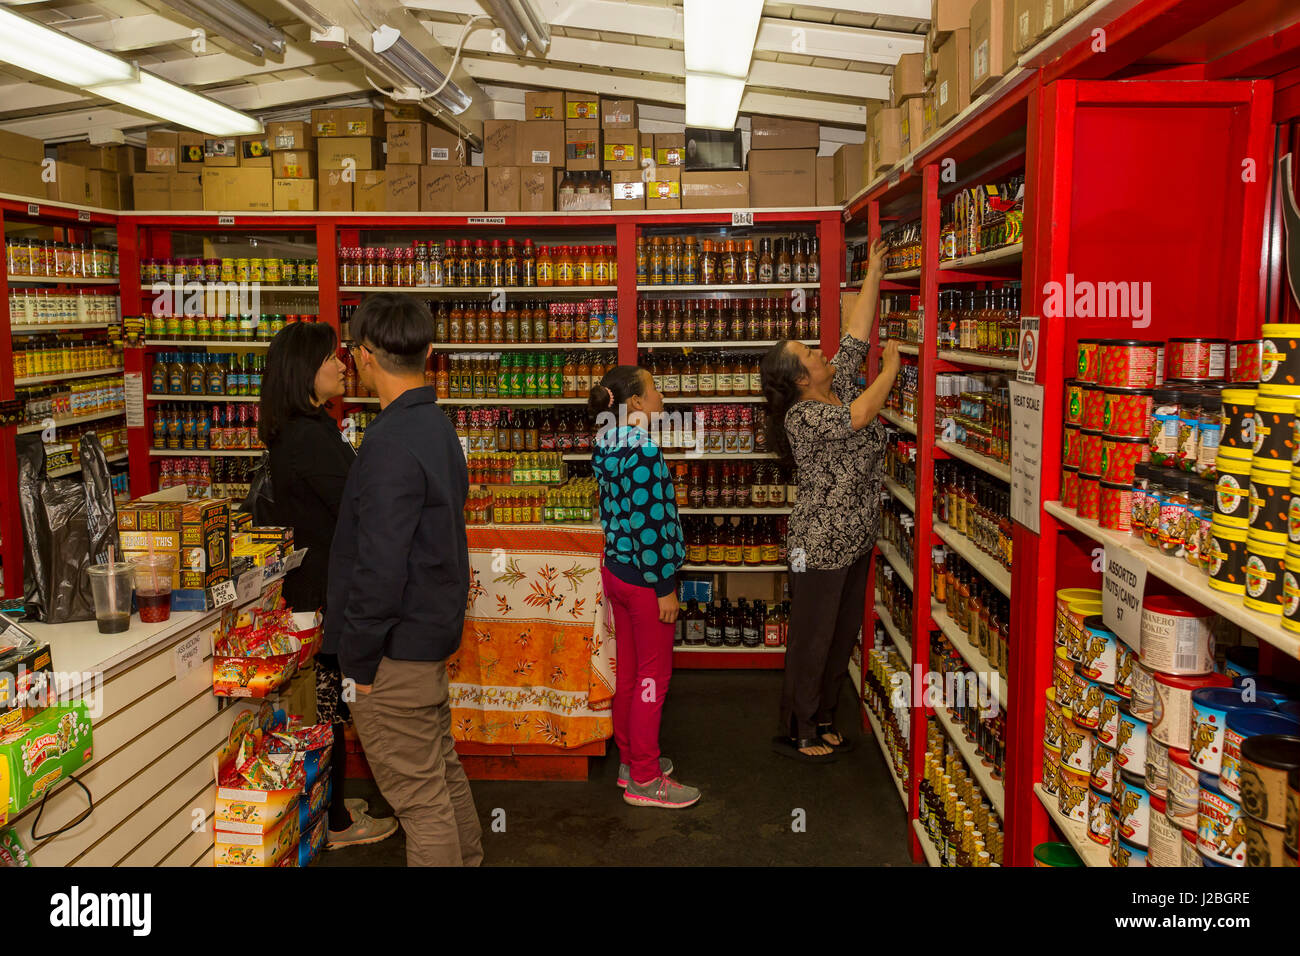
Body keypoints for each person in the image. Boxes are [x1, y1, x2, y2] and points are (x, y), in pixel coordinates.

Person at [325, 293, 482, 866]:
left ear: (364, 356)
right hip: (428, 636)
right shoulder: (436, 426)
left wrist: (359, 660)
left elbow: (380, 564)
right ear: (430, 353)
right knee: (439, 773)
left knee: (418, 799)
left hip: (392, 651)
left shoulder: (389, 441)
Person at [760, 238, 901, 762]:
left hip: (854, 536)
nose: (822, 353)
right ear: (800, 378)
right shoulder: (804, 416)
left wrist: (875, 273)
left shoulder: (835, 384)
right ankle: (799, 727)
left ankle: (823, 715)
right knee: (811, 637)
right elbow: (860, 417)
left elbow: (855, 335)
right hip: (816, 546)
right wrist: (891, 371)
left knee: (841, 636)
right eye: (810, 354)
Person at [258, 320, 397, 850]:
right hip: (317, 596)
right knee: (327, 710)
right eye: (328, 359)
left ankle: (332, 801)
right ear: (302, 373)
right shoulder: (306, 435)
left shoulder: (309, 425)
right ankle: (335, 822)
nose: (342, 364)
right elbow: (351, 511)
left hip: (317, 589)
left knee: (329, 706)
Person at [589, 366, 700, 809]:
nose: (660, 393)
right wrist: (663, 587)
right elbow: (648, 526)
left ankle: (630, 761)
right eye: (653, 388)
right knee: (654, 679)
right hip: (643, 580)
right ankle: (646, 779)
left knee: (631, 676)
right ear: (634, 402)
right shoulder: (644, 451)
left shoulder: (607, 441)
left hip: (616, 571)